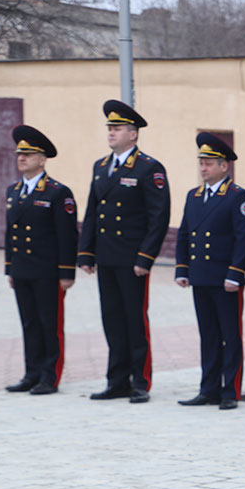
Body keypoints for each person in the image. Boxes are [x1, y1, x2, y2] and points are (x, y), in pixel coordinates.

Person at [77, 99, 171, 404]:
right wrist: (86, 251)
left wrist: (146, 257)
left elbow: (158, 216)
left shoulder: (148, 168)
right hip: (107, 256)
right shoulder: (100, 166)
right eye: (110, 128)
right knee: (112, 319)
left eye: (117, 128)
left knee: (134, 319)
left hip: (132, 259)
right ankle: (116, 380)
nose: (111, 132)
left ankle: (140, 381)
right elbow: (93, 211)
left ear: (133, 134)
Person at [174, 133, 245, 411]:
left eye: (209, 163)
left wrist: (235, 273)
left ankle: (230, 390)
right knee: (208, 335)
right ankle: (208, 389)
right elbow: (184, 233)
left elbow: (244, 238)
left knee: (229, 335)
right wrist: (182, 268)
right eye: (201, 163)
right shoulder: (194, 196)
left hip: (225, 279)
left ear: (224, 166)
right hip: (200, 276)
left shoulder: (237, 196)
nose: (203, 168)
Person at [3, 125, 77, 395]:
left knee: (49, 324)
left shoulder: (57, 192)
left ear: (42, 159)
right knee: (29, 323)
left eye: (28, 154)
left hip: (48, 271)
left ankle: (49, 376)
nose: (21, 158)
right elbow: (10, 232)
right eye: (19, 154)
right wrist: (10, 268)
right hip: (22, 269)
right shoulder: (13, 191)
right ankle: (31, 373)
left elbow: (67, 235)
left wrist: (67, 272)